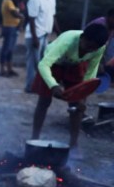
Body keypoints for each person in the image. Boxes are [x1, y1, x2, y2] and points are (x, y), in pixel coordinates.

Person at [31, 24, 108, 157]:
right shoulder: (67, 41)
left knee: (77, 107)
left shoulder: (99, 48)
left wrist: (83, 97)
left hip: (75, 65)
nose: (89, 51)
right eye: (88, 46)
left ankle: (73, 144)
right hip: (53, 64)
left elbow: (91, 72)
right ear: (82, 38)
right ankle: (34, 139)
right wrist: (53, 85)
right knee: (44, 102)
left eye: (93, 49)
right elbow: (43, 64)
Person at [24, 0, 61, 92]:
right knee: (33, 63)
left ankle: (39, 86)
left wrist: (58, 32)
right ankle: (30, 87)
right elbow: (31, 19)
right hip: (35, 36)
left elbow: (53, 16)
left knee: (43, 63)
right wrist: (35, 38)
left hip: (45, 35)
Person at [0, 0, 24, 77]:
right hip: (9, 27)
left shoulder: (11, 1)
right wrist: (22, 17)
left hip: (12, 27)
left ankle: (9, 68)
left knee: (10, 49)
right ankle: (2, 69)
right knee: (6, 49)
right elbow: (14, 13)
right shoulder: (8, 1)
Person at [86, 8, 114, 79]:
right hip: (87, 52)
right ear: (109, 16)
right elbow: (89, 44)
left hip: (97, 53)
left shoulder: (111, 28)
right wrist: (99, 63)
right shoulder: (100, 24)